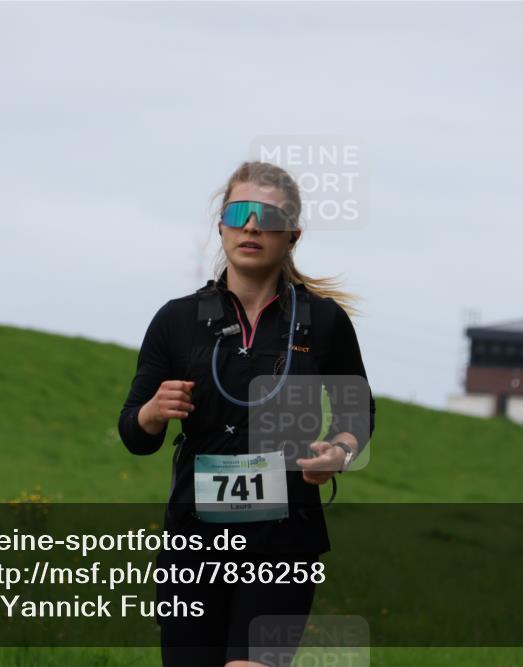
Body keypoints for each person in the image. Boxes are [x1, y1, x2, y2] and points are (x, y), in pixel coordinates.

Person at [118, 161, 376, 667]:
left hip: (285, 538)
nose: (252, 225)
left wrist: (340, 452)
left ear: (292, 234)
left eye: (269, 216)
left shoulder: (324, 321)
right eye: (239, 212)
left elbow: (357, 408)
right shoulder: (176, 321)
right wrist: (152, 412)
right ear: (221, 227)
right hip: (194, 539)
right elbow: (134, 432)